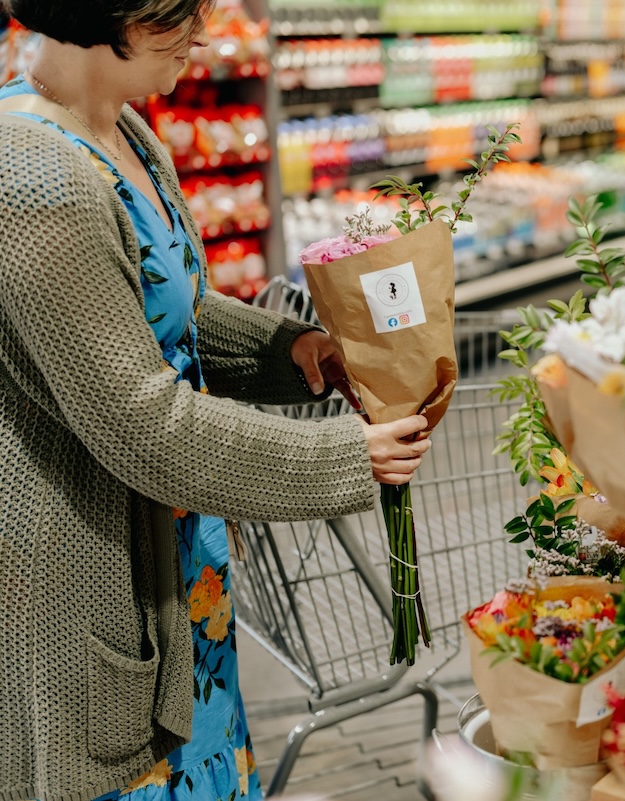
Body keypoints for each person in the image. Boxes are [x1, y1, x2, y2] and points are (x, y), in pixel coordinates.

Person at [0, 2, 432, 800]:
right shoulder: (34, 178)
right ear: (112, 10)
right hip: (95, 578)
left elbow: (180, 308)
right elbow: (145, 428)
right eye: (182, 11)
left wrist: (290, 350)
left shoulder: (126, 133)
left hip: (175, 557)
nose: (204, 30)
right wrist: (346, 455)